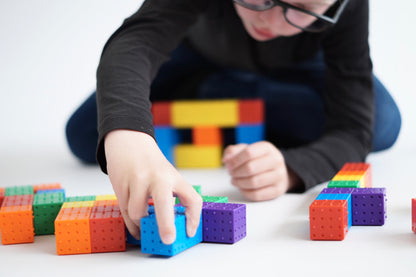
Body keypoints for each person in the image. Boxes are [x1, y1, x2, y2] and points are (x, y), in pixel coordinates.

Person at [66, 0, 401, 244]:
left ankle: (226, 94)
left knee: (382, 123)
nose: (270, 21)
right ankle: (221, 91)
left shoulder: (346, 8)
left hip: (300, 66)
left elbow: (353, 127)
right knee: (85, 134)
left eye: (302, 7)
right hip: (195, 57)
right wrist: (130, 133)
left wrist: (291, 168)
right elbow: (137, 41)